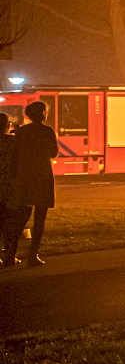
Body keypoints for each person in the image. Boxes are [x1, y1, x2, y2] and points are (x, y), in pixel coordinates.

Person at [8, 101, 59, 267]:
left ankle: (10, 254)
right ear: (42, 114)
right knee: (39, 219)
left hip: (25, 176)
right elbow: (53, 152)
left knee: (20, 218)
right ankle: (33, 255)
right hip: (42, 176)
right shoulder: (47, 131)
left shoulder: (22, 132)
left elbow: (14, 155)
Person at [0, 113, 18, 267]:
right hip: (9, 187)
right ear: (7, 126)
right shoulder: (13, 142)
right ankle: (9, 255)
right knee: (10, 223)